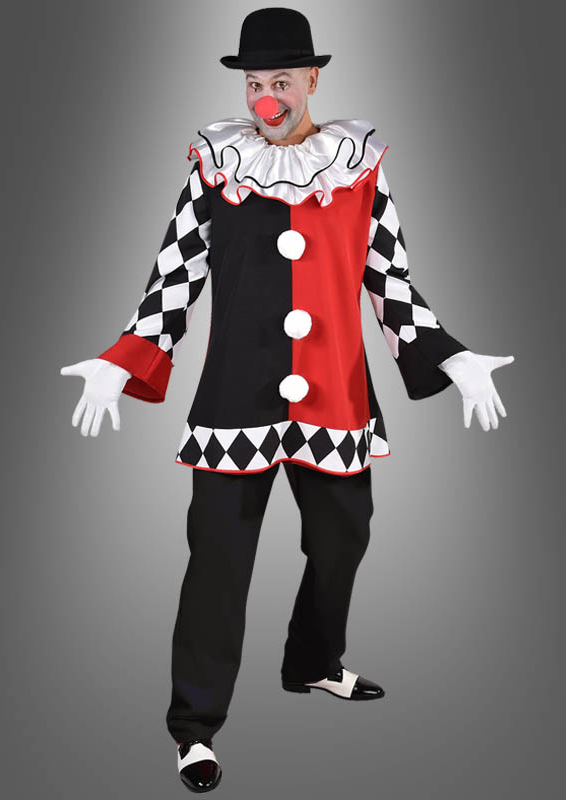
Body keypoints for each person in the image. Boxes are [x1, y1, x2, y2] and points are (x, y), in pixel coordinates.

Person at [61, 7, 514, 793]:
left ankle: (313, 662)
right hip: (234, 405)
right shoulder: (216, 168)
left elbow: (391, 284)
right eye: (252, 83)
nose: (264, 97)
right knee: (217, 565)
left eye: (279, 80)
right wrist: (122, 360)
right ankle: (194, 730)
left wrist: (451, 355)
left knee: (343, 540)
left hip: (334, 400)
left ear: (311, 79)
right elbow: (174, 278)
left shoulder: (357, 168)